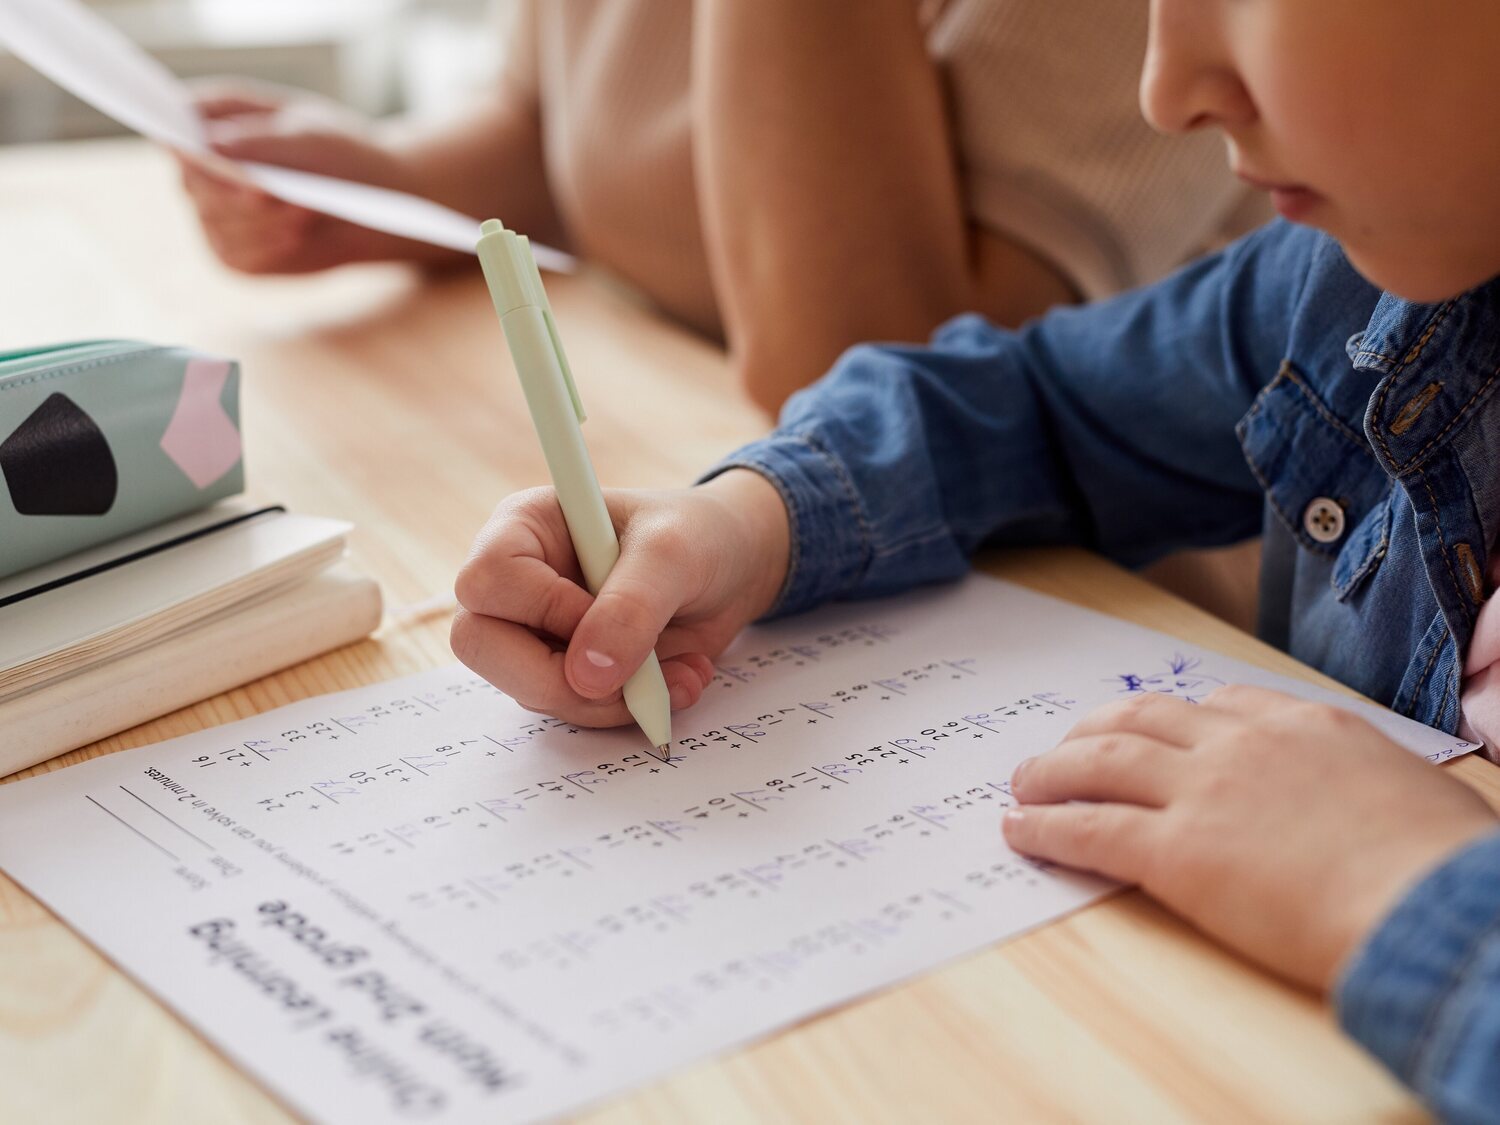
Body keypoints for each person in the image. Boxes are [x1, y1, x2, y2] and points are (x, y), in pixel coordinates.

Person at [449, 1, 1500, 1117]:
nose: (1167, 91)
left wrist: (1402, 886)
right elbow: (1031, 407)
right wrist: (744, 526)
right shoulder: (1345, 290)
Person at [175, 0, 1257, 413]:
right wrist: (382, 187)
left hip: (1099, 632)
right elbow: (554, 128)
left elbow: (874, 376)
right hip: (687, 460)